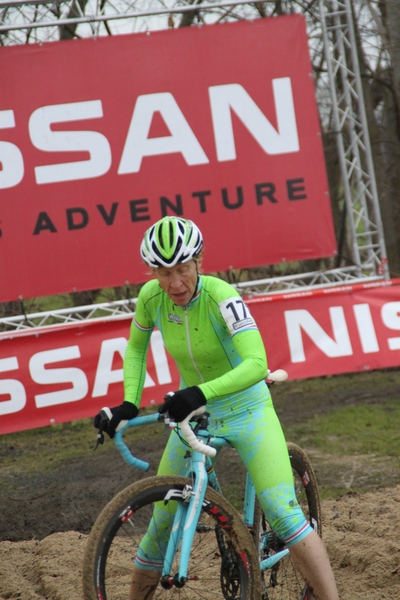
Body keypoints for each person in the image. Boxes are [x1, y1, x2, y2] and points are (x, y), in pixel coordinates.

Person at [94, 216, 340, 600]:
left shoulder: (221, 296)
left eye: (182, 269)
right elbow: (136, 348)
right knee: (160, 521)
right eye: (162, 271)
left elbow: (257, 364)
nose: (174, 282)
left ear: (199, 262)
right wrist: (128, 402)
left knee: (283, 513)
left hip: (247, 411)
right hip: (196, 418)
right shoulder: (150, 298)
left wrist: (200, 391)